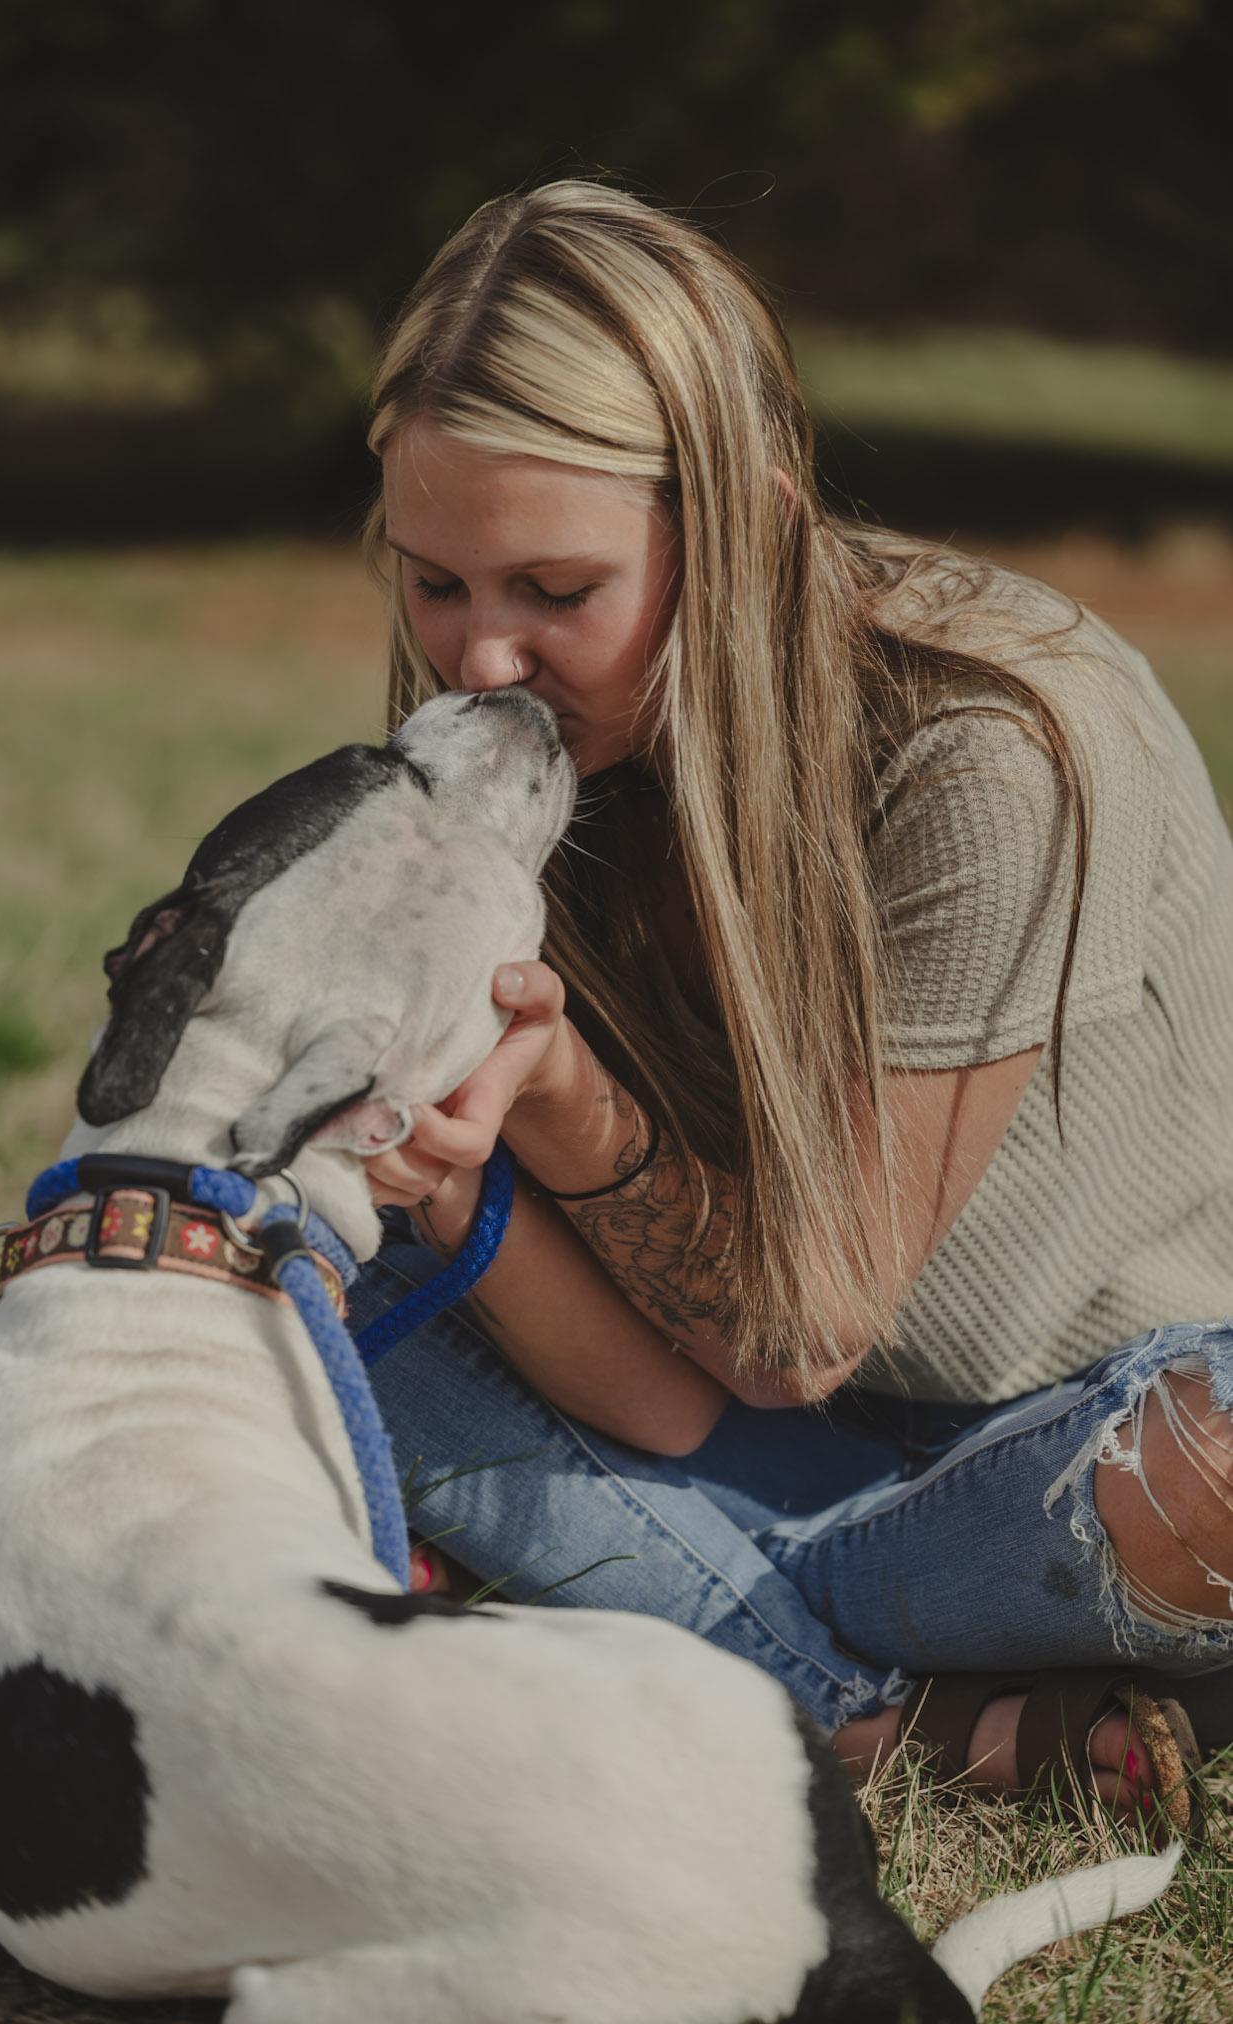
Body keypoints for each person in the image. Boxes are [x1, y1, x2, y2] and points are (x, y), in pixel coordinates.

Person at [347, 178, 1233, 1831]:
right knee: (282, 1243)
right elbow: (680, 1391)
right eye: (435, 585)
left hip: (1071, 1450)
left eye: (554, 589)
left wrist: (551, 1096)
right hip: (702, 1431)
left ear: (742, 525)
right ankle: (876, 1719)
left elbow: (792, 1331)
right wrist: (455, 1174)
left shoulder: (989, 743)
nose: (478, 661)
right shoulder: (518, 752)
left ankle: (690, 1634)